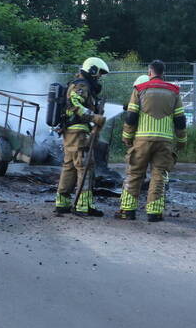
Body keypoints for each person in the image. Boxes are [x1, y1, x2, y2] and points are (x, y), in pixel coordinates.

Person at [117, 60, 186, 221]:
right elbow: (180, 119)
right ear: (163, 73)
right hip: (165, 141)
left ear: (150, 72)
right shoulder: (174, 91)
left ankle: (127, 211)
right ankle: (154, 213)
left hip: (142, 141)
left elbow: (131, 116)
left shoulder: (139, 89)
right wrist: (182, 140)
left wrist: (127, 137)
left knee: (134, 173)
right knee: (159, 175)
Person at [54, 57, 108, 217]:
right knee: (85, 166)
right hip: (78, 131)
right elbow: (74, 103)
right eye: (98, 73)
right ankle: (83, 205)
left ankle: (62, 203)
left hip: (71, 131)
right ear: (91, 70)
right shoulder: (82, 85)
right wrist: (94, 117)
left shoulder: (79, 84)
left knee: (69, 166)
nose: (99, 77)